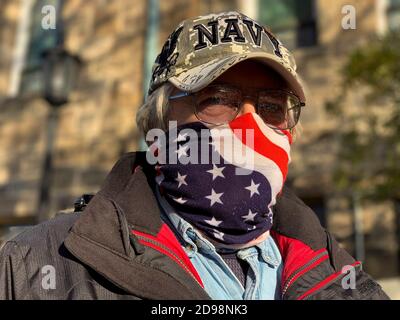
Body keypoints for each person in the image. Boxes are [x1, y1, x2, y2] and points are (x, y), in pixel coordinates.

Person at [0, 11, 389, 300]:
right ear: (159, 125)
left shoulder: (343, 279)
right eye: (217, 100)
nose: (250, 127)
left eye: (272, 106)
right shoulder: (36, 265)